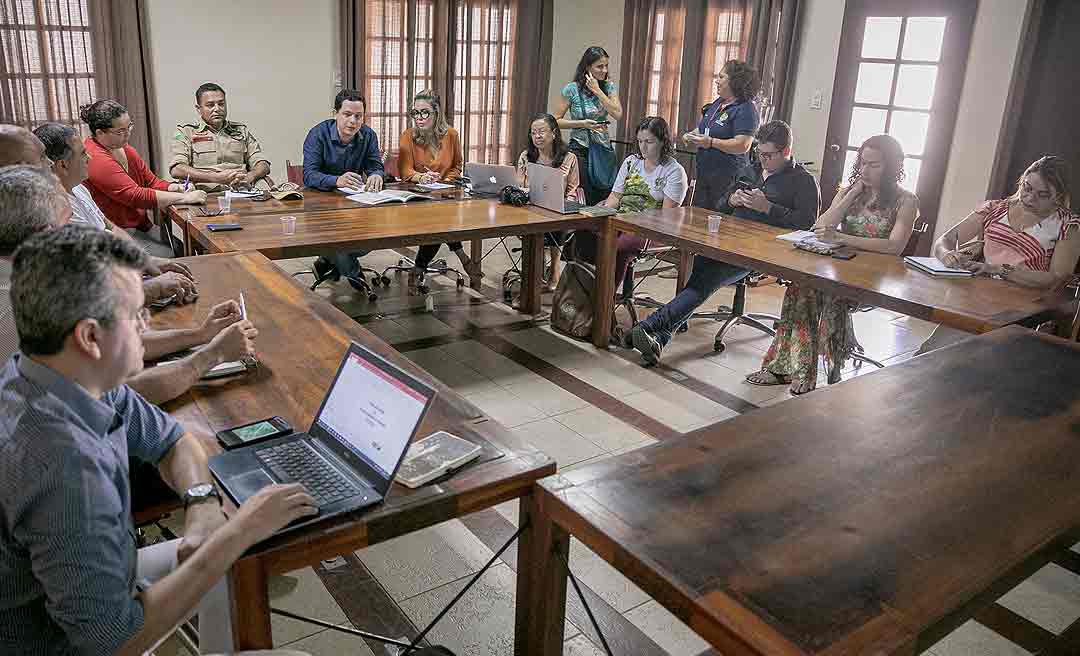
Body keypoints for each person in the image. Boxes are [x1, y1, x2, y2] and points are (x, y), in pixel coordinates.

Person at [0, 224, 319, 655]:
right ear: (90, 337)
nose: (146, 324)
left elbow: (172, 439)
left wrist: (203, 503)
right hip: (67, 642)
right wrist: (237, 532)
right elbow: (116, 642)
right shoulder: (63, 465)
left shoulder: (53, 372)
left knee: (220, 553)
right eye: (135, 314)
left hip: (97, 583)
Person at [0, 164, 258, 405]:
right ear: (46, 233)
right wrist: (212, 355)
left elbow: (116, 342)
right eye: (67, 222)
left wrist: (200, 335)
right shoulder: (16, 305)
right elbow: (117, 395)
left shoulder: (35, 273)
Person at [627, 120, 821, 365]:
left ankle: (651, 325)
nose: (763, 160)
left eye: (769, 155)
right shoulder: (749, 170)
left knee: (705, 281)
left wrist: (768, 207)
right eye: (759, 153)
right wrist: (732, 199)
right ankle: (660, 336)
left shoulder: (802, 181)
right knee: (700, 278)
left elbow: (806, 225)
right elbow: (720, 205)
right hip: (727, 239)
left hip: (761, 252)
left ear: (787, 152)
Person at [746, 134, 918, 395]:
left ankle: (792, 369)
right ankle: (792, 368)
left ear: (892, 167)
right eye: (863, 163)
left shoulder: (906, 201)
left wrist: (843, 238)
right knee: (801, 286)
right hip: (840, 267)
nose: (865, 170)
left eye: (875, 165)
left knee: (816, 290)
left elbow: (895, 247)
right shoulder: (851, 191)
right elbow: (819, 227)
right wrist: (850, 196)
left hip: (874, 277)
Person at [917, 155, 1080, 354]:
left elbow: (1056, 278)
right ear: (1022, 181)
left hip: (1025, 307)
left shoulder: (1067, 225)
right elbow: (945, 240)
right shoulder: (995, 209)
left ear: (1059, 196)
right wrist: (947, 255)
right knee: (932, 352)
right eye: (1027, 188)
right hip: (978, 298)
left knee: (956, 355)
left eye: (1042, 195)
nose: (1029, 198)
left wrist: (998, 270)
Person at [33, 121, 200, 306]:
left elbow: (109, 226)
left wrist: (143, 260)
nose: (89, 157)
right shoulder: (55, 209)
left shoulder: (79, 187)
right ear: (63, 165)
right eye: (82, 154)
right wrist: (151, 283)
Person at [574, 116, 688, 288]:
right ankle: (582, 287)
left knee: (617, 246)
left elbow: (666, 216)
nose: (643, 146)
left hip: (650, 227)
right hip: (621, 219)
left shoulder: (674, 171)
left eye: (649, 142)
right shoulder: (631, 161)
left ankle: (605, 299)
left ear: (663, 142)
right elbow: (615, 196)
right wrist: (604, 213)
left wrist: (629, 220)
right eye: (640, 141)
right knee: (583, 230)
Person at [81, 99, 207, 233]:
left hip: (139, 226)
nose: (127, 134)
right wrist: (185, 198)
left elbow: (150, 181)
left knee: (179, 248)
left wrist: (175, 187)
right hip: (118, 232)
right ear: (100, 133)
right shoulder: (95, 157)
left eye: (129, 127)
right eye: (120, 131)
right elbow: (135, 196)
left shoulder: (124, 148)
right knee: (175, 253)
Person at [303, 89, 385, 288]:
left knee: (374, 236)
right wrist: (336, 180)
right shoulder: (318, 134)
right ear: (335, 113)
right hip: (321, 205)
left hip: (353, 203)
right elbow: (309, 175)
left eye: (358, 116)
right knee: (338, 240)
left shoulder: (368, 135)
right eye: (347, 115)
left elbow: (375, 164)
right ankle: (353, 273)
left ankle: (327, 260)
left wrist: (376, 174)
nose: (353, 121)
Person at [399, 89, 480, 291]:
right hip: (416, 196)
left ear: (436, 113)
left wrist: (446, 180)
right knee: (439, 220)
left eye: (424, 112)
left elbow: (457, 165)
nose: (419, 118)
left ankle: (419, 268)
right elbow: (404, 170)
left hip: (444, 194)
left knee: (442, 217)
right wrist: (422, 177)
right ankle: (461, 256)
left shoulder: (451, 135)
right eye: (415, 113)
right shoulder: (408, 136)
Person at [682, 60, 761, 210]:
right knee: (699, 218)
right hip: (705, 174)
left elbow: (743, 145)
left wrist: (711, 143)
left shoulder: (746, 109)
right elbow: (704, 128)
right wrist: (691, 135)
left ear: (735, 81)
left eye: (721, 77)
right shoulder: (719, 103)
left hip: (728, 178)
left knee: (719, 221)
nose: (717, 81)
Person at [517, 112, 581, 290]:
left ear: (554, 133)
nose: (537, 136)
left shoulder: (569, 158)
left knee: (555, 223)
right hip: (530, 208)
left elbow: (573, 190)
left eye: (542, 132)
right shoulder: (526, 156)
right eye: (533, 132)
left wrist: (565, 206)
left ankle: (553, 266)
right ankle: (533, 277)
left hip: (557, 210)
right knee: (534, 227)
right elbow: (519, 184)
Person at [168, 82, 272, 191]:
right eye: (210, 105)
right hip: (205, 195)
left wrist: (250, 177)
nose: (217, 109)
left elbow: (262, 163)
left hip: (241, 193)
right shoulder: (186, 132)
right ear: (199, 109)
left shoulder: (241, 131)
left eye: (221, 104)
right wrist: (216, 178)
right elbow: (177, 169)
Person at [553, 46, 623, 205]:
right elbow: (555, 120)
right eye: (600, 66)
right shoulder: (572, 89)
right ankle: (583, 228)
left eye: (606, 66)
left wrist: (597, 90)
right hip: (580, 149)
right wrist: (582, 124)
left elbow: (617, 113)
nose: (604, 70)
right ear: (587, 67)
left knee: (604, 193)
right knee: (585, 196)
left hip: (602, 148)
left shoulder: (608, 87)